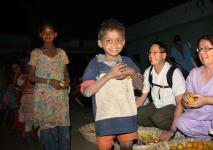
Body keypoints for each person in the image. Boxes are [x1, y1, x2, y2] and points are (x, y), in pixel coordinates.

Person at [80, 18, 143, 150]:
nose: (114, 44)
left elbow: (141, 86)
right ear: (100, 43)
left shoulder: (128, 62)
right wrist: (109, 75)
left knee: (127, 147)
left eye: (118, 40)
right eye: (108, 40)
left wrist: (132, 73)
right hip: (105, 119)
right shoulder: (95, 64)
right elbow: (86, 92)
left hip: (127, 117)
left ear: (124, 42)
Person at [28, 21, 71, 149]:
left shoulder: (62, 53)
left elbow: (65, 73)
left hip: (60, 96)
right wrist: (49, 81)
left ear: (55, 34)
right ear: (40, 35)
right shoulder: (36, 53)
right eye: (45, 33)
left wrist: (67, 81)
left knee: (62, 126)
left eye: (50, 32)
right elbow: (31, 76)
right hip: (44, 98)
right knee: (47, 129)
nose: (48, 35)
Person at [135, 41, 186, 141]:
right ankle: (160, 128)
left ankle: (177, 130)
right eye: (150, 52)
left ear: (164, 55)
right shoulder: (148, 72)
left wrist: (172, 131)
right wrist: (127, 113)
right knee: (137, 116)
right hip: (157, 105)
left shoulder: (174, 72)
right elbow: (141, 98)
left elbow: (180, 103)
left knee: (158, 118)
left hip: (173, 107)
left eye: (155, 52)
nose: (150, 55)